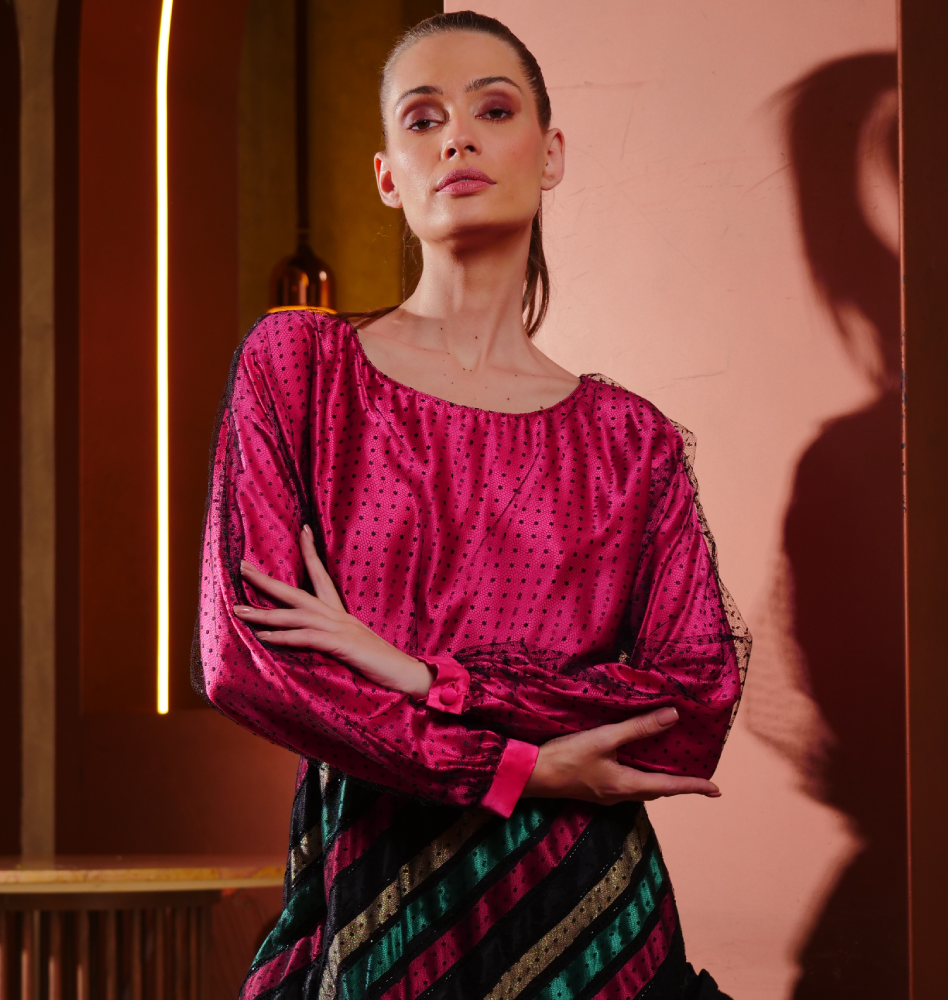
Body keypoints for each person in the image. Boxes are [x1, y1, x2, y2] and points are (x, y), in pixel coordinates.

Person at [194, 11, 749, 999]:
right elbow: (249, 660)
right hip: (380, 888)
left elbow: (690, 701)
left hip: (591, 909)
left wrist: (414, 672)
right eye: (422, 118)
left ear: (551, 153)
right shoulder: (299, 370)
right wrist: (513, 768)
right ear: (386, 175)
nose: (455, 136)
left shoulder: (632, 442)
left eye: (493, 109)